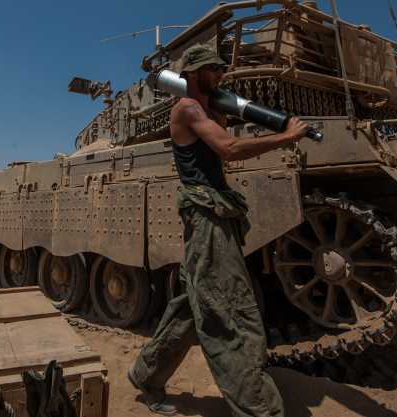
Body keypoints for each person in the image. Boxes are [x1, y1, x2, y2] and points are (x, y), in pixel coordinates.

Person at [128, 44, 308, 417]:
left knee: (193, 307)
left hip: (215, 214)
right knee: (228, 308)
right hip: (207, 217)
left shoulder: (209, 109)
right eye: (213, 69)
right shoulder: (188, 108)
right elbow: (228, 149)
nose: (221, 74)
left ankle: (146, 375)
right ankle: (260, 409)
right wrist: (286, 137)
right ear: (193, 74)